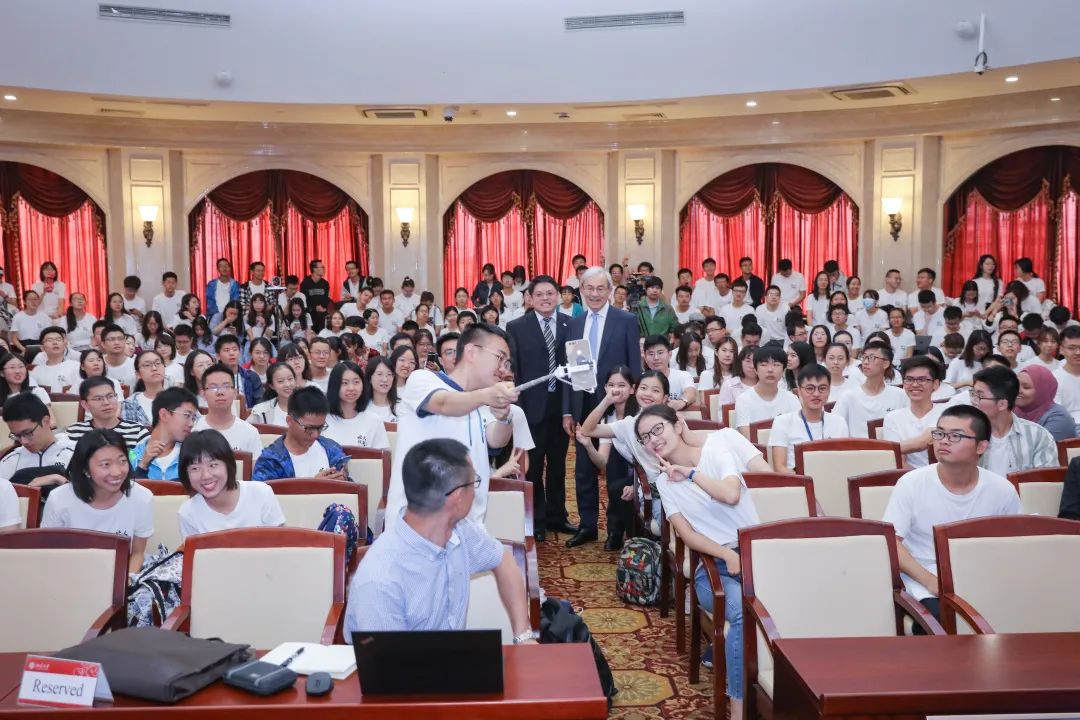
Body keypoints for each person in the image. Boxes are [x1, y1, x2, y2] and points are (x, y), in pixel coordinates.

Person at [635, 404, 759, 719]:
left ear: (678, 425)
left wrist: (690, 473)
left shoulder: (716, 452)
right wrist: (726, 554)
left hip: (756, 556)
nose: (653, 440)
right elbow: (688, 536)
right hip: (715, 566)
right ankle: (738, 710)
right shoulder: (664, 484)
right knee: (741, 614)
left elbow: (730, 495)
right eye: (646, 437)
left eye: (657, 429)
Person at [344, 438, 533, 641]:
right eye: (474, 482)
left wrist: (523, 636)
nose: (475, 491)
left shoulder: (460, 529)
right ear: (458, 497)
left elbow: (502, 559)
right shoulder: (380, 581)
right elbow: (388, 660)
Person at [882, 405, 1021, 625]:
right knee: (945, 621)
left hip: (983, 578)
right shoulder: (911, 483)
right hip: (925, 579)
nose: (944, 441)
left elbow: (1015, 545)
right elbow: (892, 542)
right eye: (939, 434)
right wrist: (929, 580)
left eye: (955, 436)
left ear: (981, 446)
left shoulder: (1002, 490)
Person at [384, 323, 518, 529]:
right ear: (471, 352)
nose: (503, 368)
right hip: (418, 528)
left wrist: (504, 418)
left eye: (506, 362)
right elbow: (443, 403)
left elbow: (496, 440)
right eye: (499, 357)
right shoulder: (422, 379)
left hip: (470, 527)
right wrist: (485, 396)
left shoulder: (478, 401)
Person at [563, 266, 641, 548]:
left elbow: (634, 366)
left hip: (617, 404)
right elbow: (571, 371)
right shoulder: (574, 324)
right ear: (581, 290)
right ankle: (587, 526)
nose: (594, 294)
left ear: (610, 290)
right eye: (589, 288)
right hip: (584, 404)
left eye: (600, 288)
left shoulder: (626, 320)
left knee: (616, 469)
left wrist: (631, 405)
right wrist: (568, 410)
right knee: (584, 469)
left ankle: (615, 529)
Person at [505, 276, 576, 541]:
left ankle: (558, 516)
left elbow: (576, 368)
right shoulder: (516, 327)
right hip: (530, 408)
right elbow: (514, 370)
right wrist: (518, 410)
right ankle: (536, 519)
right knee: (533, 467)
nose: (545, 298)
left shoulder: (572, 324)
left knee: (558, 466)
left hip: (561, 407)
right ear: (530, 298)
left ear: (558, 295)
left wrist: (572, 410)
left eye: (550, 293)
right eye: (539, 294)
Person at [42, 429, 154, 573]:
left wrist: (126, 583)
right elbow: (49, 554)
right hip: (70, 574)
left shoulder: (142, 497)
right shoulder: (59, 499)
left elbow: (137, 554)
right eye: (106, 464)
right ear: (85, 470)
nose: (117, 472)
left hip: (121, 575)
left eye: (122, 461)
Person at [177, 429, 285, 539]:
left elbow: (280, 544)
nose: (206, 475)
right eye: (195, 468)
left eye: (213, 465)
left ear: (228, 464)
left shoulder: (261, 494)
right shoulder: (188, 513)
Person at [970, 365, 1058, 475]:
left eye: (979, 395)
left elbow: (1045, 481)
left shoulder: (1038, 436)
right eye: (973, 393)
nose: (973, 401)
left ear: (1002, 404)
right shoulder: (967, 434)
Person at [252, 386, 351, 482]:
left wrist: (343, 479)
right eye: (309, 428)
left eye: (320, 428)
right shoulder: (271, 462)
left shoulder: (331, 449)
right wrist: (313, 486)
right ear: (289, 421)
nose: (315, 435)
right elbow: (261, 492)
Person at [768, 364, 849, 472]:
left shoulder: (839, 422)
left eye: (822, 388)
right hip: (796, 480)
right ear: (799, 391)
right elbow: (779, 467)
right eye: (810, 388)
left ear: (829, 390)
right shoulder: (782, 422)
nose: (816, 394)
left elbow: (843, 463)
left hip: (831, 478)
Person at [0, 392, 75, 500]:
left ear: (46, 421)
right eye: (17, 436)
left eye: (28, 433)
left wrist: (58, 479)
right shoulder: (12, 460)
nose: (23, 441)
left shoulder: (75, 453)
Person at [833, 341, 908, 438]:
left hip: (889, 446)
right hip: (857, 447)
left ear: (885, 363)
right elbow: (834, 427)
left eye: (871, 358)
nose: (865, 362)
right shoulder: (849, 396)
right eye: (864, 357)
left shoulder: (900, 395)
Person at [883, 356, 947, 468]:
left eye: (922, 379)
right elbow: (897, 460)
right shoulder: (893, 418)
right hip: (909, 476)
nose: (915, 384)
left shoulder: (947, 413)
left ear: (935, 384)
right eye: (909, 379)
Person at [193, 363, 264, 458]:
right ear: (203, 394)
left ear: (235, 393)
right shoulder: (194, 430)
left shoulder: (250, 432)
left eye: (226, 386)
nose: (220, 392)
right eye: (213, 387)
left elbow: (255, 466)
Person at [130, 387, 201, 481]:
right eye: (187, 415)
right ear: (164, 415)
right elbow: (130, 489)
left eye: (193, 418)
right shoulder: (133, 456)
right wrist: (142, 465)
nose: (191, 424)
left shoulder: (192, 457)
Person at [66, 376, 151, 449]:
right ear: (85, 404)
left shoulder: (137, 431)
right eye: (98, 399)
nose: (106, 402)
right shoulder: (73, 433)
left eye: (110, 396)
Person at [734, 346, 800, 434]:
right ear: (755, 369)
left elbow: (798, 431)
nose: (770, 370)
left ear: (783, 370)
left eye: (776, 365)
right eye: (764, 365)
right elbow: (748, 436)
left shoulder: (792, 399)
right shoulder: (743, 400)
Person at [324, 361, 390, 449]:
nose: (351, 388)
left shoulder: (374, 420)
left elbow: (383, 455)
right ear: (334, 386)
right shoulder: (323, 419)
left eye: (356, 382)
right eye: (345, 383)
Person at [1015, 365, 1077, 442]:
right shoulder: (1011, 410)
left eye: (1026, 387)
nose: (1018, 390)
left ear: (1042, 391)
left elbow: (1036, 446)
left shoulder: (1058, 418)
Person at [643, 335, 698, 410]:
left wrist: (682, 402)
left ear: (669, 355)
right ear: (645, 358)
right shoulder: (642, 379)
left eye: (660, 353)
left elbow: (691, 392)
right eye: (651, 354)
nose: (656, 358)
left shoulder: (682, 376)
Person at [120, 350, 168, 427]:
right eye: (147, 365)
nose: (154, 368)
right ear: (138, 374)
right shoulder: (129, 404)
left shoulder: (178, 398)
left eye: (158, 363)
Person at [30, 326, 81, 393]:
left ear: (65, 345)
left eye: (58, 340)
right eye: (50, 340)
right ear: (42, 348)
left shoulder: (76, 366)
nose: (55, 343)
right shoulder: (36, 371)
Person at [247, 362, 296, 426]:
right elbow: (244, 429)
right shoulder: (261, 410)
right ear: (271, 385)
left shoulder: (307, 406)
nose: (287, 384)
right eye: (280, 381)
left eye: (290, 379)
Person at [1054, 326, 1080, 430]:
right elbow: (1058, 414)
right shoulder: (1055, 378)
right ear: (1061, 349)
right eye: (1072, 348)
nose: (1078, 352)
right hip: (1071, 426)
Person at [10, 290, 51, 355]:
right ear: (24, 302)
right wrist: (24, 350)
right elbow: (14, 338)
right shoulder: (18, 317)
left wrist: (43, 348)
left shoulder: (44, 316)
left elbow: (48, 335)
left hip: (40, 346)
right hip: (22, 346)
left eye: (36, 299)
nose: (34, 302)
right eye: (30, 299)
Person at [300, 259, 332, 332]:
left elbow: (327, 298)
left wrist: (323, 307)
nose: (324, 269)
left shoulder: (325, 283)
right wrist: (314, 308)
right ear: (315, 269)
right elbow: (304, 300)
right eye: (322, 267)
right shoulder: (305, 283)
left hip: (322, 312)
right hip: (310, 311)